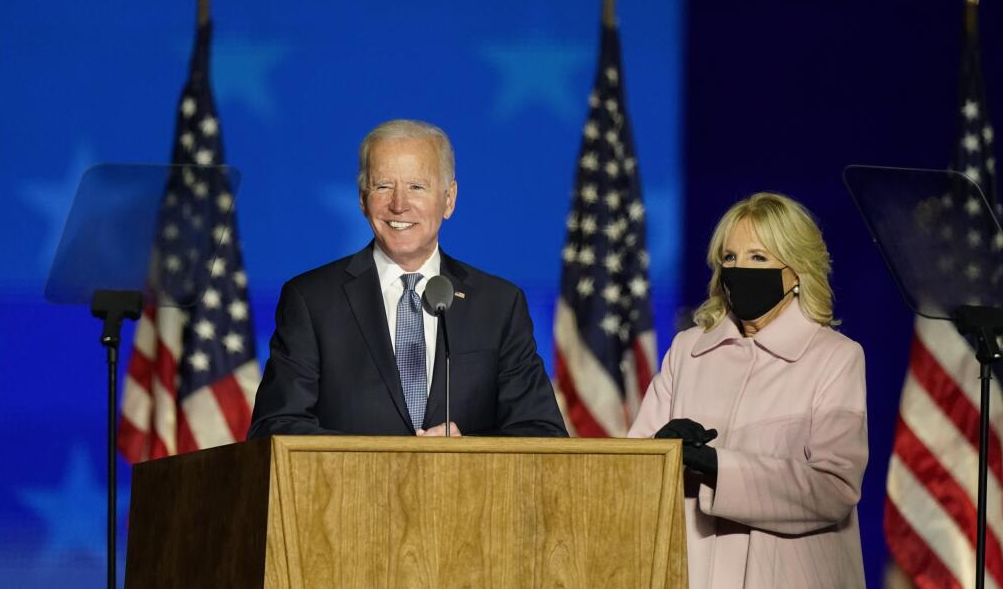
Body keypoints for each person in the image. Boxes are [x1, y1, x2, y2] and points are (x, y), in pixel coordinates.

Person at [249, 119, 566, 438]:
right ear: (362, 198)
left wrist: (468, 451)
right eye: (383, 186)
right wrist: (387, 462)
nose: (399, 205)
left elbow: (541, 432)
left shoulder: (498, 305)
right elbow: (275, 427)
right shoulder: (311, 300)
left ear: (449, 199)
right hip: (351, 487)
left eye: (417, 187)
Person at [628, 192, 867, 588]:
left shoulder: (835, 357)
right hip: (689, 571)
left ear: (797, 270)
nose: (740, 269)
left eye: (758, 257)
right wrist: (660, 449)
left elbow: (834, 487)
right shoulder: (689, 351)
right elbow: (631, 474)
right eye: (730, 258)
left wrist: (716, 465)